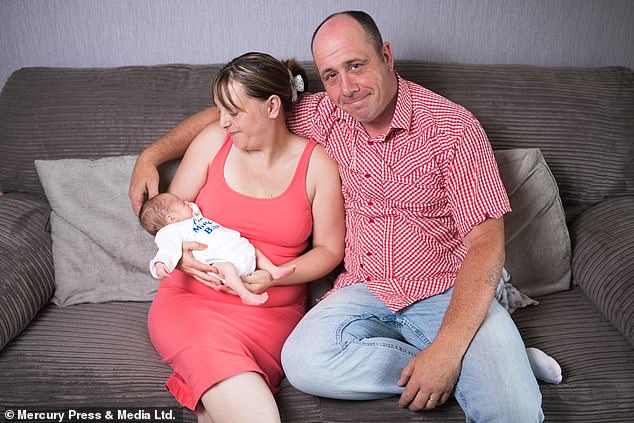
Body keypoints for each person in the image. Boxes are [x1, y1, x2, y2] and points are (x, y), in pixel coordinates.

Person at [129, 12, 544, 422]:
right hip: (364, 290)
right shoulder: (324, 114)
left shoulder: (454, 129)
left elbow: (486, 245)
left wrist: (449, 347)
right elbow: (232, 115)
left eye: (356, 66)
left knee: (512, 410)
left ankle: (476, 363)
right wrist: (152, 155)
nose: (346, 88)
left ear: (386, 55)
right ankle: (476, 368)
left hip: (443, 288)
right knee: (305, 361)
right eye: (330, 75)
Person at [142, 52, 345, 423]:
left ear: (272, 106)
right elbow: (168, 217)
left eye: (233, 112)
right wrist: (182, 257)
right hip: (190, 301)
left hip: (271, 313)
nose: (223, 122)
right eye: (220, 110)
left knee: (226, 403)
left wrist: (278, 274)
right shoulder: (211, 142)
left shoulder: (317, 165)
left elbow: (330, 250)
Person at [139, 192, 298, 305]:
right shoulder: (171, 231)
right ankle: (245, 294)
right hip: (218, 263)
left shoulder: (193, 219)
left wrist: (185, 207)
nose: (187, 202)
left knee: (254, 251)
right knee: (227, 268)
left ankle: (274, 270)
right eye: (182, 203)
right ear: (172, 218)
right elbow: (168, 249)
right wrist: (160, 263)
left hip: (240, 251)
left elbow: (193, 209)